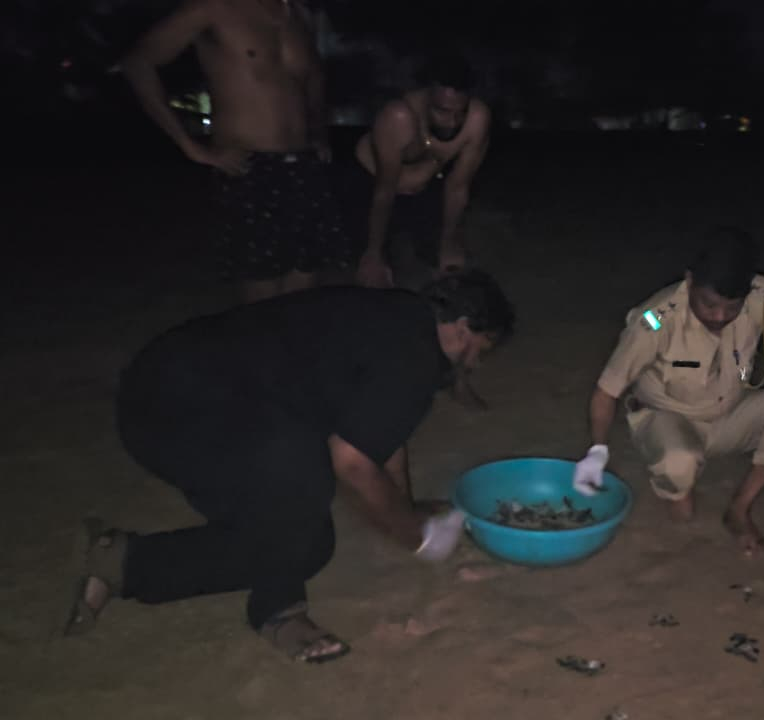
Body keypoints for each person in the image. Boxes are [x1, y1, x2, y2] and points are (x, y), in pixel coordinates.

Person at [63, 269, 516, 663]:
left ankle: (124, 563)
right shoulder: (415, 356)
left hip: (155, 396)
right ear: (462, 328)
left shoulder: (397, 317)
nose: (475, 364)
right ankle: (279, 611)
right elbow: (353, 464)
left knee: (308, 543)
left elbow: (382, 434)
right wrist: (415, 538)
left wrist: (406, 506)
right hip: (188, 409)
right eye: (482, 349)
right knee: (303, 470)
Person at [574, 228, 764, 556]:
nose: (720, 317)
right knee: (680, 471)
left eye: (732, 307)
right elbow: (607, 391)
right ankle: (678, 492)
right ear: (690, 281)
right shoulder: (656, 318)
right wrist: (597, 451)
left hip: (728, 417)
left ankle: (739, 509)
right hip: (667, 419)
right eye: (709, 304)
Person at [120, 0, 349, 303]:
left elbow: (314, 78)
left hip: (303, 163)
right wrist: (191, 146)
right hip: (248, 164)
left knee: (306, 276)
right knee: (261, 284)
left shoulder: (299, 14)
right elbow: (138, 63)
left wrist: (318, 132)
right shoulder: (213, 8)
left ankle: (296, 334)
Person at [352, 52, 491, 287]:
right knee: (373, 271)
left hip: (426, 187)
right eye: (443, 111)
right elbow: (385, 190)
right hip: (372, 186)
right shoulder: (399, 116)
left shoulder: (477, 118)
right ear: (428, 95)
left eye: (460, 112)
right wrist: (373, 251)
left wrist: (448, 242)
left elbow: (458, 187)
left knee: (452, 266)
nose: (452, 122)